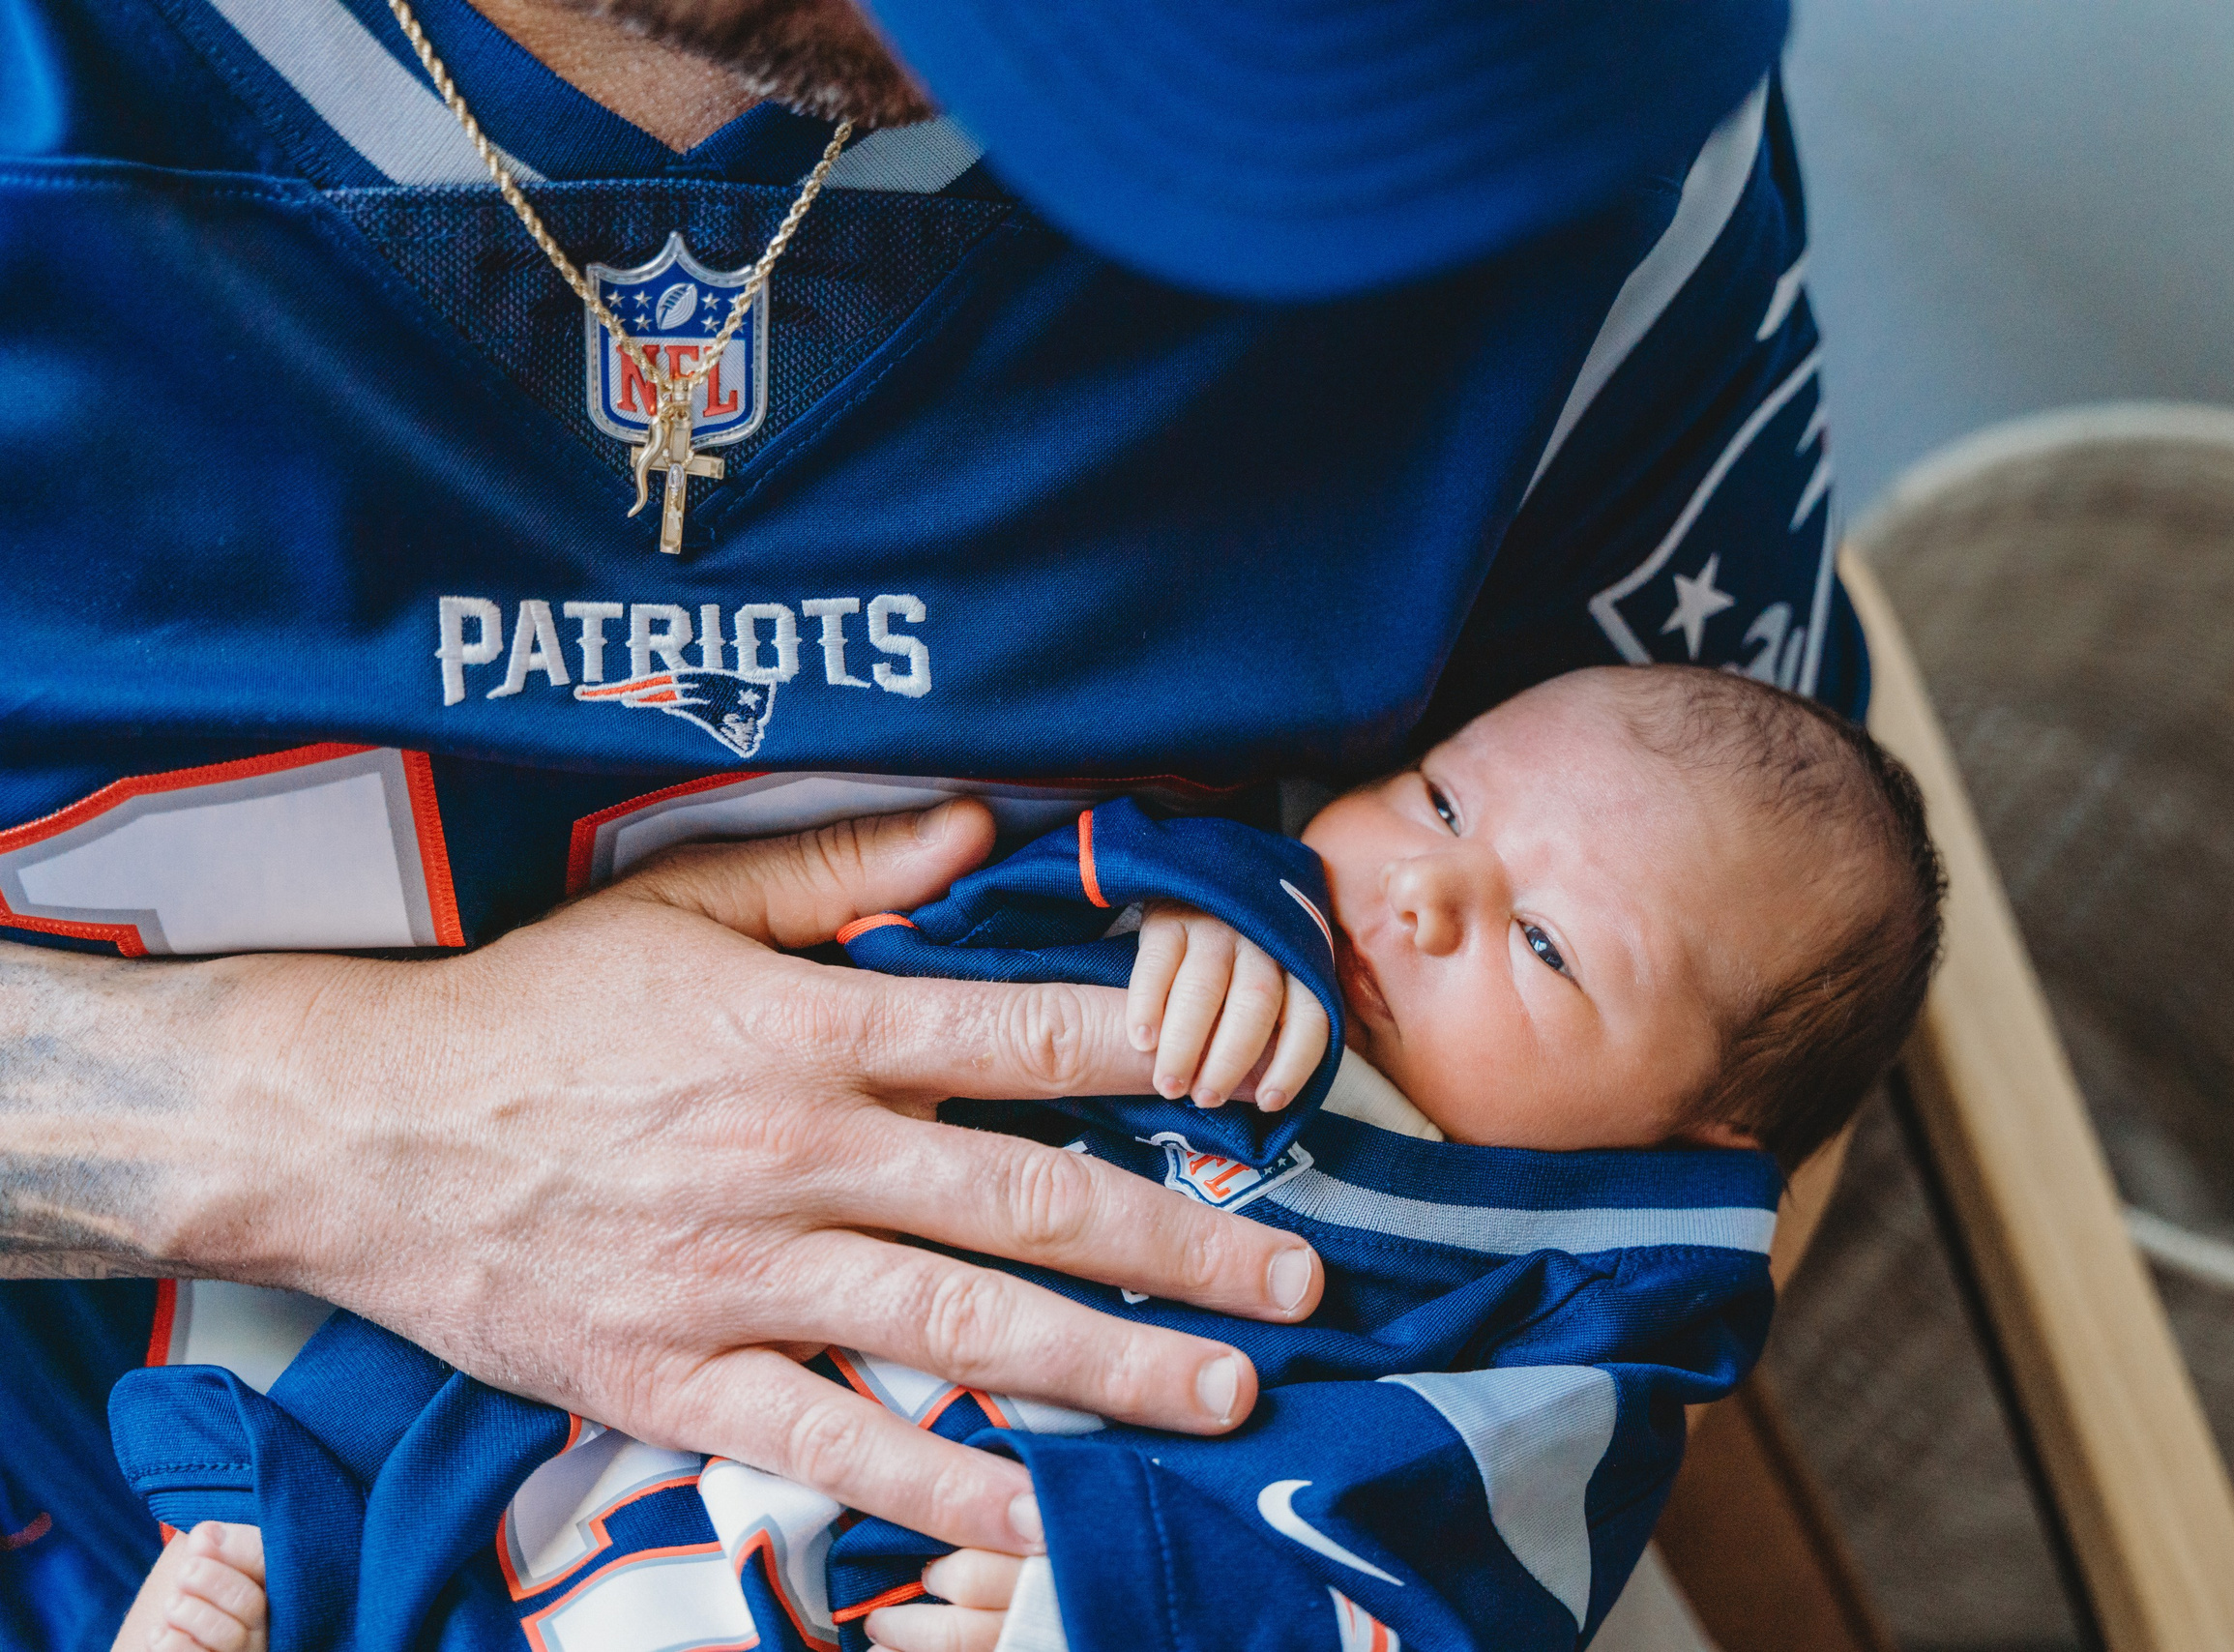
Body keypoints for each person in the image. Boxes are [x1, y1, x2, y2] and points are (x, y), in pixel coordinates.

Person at [0, 0, 1851, 1639]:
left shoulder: (1526, 110)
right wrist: (334, 1126)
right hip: (141, 1510)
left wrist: (1273, 1555)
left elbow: (1736, 1086)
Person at [109, 665, 1941, 1652]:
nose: (1430, 892)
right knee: (464, 1396)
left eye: (1547, 949)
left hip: (996, 1570)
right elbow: (925, 938)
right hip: (631, 1383)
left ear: (1702, 1140)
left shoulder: (1566, 1321)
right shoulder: (1211, 927)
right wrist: (1182, 904)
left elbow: (1465, 1575)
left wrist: (1140, 1594)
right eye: (1447, 796)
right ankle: (288, 1556)